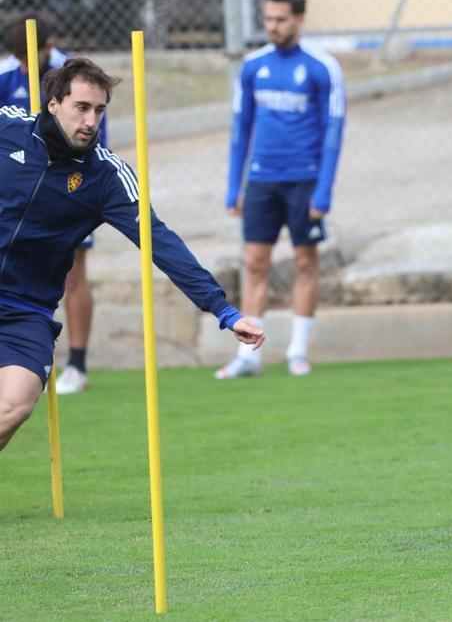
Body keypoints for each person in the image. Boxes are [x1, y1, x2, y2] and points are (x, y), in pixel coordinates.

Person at [0, 58, 264, 453]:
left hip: (26, 311)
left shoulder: (106, 177)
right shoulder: (8, 126)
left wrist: (224, 310)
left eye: (100, 110)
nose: (92, 120)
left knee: (14, 406)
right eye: (82, 108)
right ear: (53, 104)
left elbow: (162, 243)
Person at [219, 0, 345, 379]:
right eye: (268, 19)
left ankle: (297, 351)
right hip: (261, 180)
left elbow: (333, 133)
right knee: (255, 262)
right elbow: (241, 130)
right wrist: (233, 186)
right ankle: (250, 356)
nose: (272, 26)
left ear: (299, 20)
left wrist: (323, 190)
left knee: (306, 261)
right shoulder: (253, 66)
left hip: (303, 180)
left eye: (280, 19)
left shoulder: (323, 67)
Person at [0, 16, 102, 394]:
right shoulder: (7, 77)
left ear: (48, 45)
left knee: (74, 273)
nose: (25, 67)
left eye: (31, 57)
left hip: (70, 189)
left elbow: (93, 137)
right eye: (18, 59)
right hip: (22, 197)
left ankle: (77, 361)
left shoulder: (75, 78)